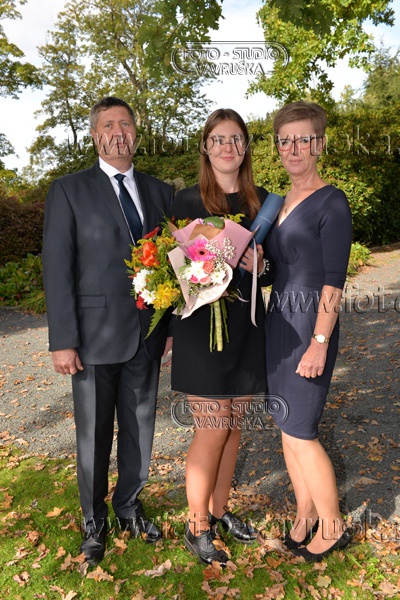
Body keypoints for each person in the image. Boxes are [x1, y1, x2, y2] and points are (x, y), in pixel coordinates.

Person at [42, 97, 174, 565]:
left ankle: (129, 506)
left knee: (140, 428)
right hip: (93, 337)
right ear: (95, 135)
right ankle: (93, 520)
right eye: (108, 125)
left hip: (146, 334)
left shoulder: (160, 192)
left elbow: (176, 263)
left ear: (136, 132)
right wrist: (63, 339)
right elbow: (57, 267)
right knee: (94, 435)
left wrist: (169, 325)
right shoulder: (68, 190)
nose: (118, 132)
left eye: (126, 124)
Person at [169, 109, 270, 566]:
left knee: (233, 428)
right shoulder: (185, 200)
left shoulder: (262, 202)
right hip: (200, 328)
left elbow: (275, 269)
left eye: (236, 139)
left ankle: (218, 510)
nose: (228, 147)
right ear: (206, 147)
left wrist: (262, 265)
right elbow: (171, 270)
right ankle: (196, 527)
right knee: (212, 428)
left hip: (246, 325)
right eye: (218, 139)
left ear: (245, 148)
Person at [264, 100, 353, 562]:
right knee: (285, 425)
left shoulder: (332, 201)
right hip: (278, 322)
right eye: (285, 141)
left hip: (309, 326)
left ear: (319, 144)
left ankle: (333, 527)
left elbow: (334, 281)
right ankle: (305, 516)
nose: (293, 149)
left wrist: (319, 342)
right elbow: (275, 268)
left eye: (303, 139)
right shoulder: (278, 202)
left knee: (301, 430)